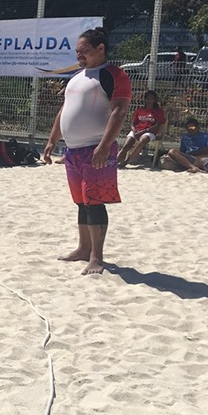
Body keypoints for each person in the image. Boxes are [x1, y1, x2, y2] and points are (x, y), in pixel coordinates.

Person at [43, 27, 132, 276]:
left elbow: (119, 111)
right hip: (72, 151)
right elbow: (65, 109)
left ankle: (97, 256)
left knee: (94, 203)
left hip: (96, 149)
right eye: (77, 51)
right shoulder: (77, 77)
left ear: (100, 49)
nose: (79, 55)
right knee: (81, 202)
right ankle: (83, 248)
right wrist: (52, 140)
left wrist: (104, 145)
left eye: (84, 50)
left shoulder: (113, 75)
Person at [118, 90, 166, 167]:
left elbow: (158, 125)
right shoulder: (139, 110)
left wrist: (143, 131)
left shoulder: (158, 111)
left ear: (154, 100)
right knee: (128, 143)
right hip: (137, 130)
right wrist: (134, 130)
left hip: (149, 131)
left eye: (151, 98)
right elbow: (133, 123)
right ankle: (117, 160)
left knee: (143, 139)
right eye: (147, 98)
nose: (149, 100)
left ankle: (127, 161)